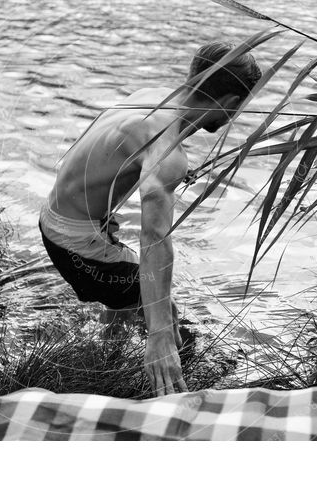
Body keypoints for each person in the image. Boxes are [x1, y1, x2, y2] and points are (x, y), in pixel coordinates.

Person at [39, 42, 262, 396]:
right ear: (233, 103)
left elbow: (118, 155)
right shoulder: (168, 152)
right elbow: (155, 237)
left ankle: (105, 359)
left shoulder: (154, 97)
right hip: (75, 240)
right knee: (174, 328)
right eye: (242, 107)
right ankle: (167, 393)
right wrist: (159, 338)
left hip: (62, 218)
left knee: (132, 294)